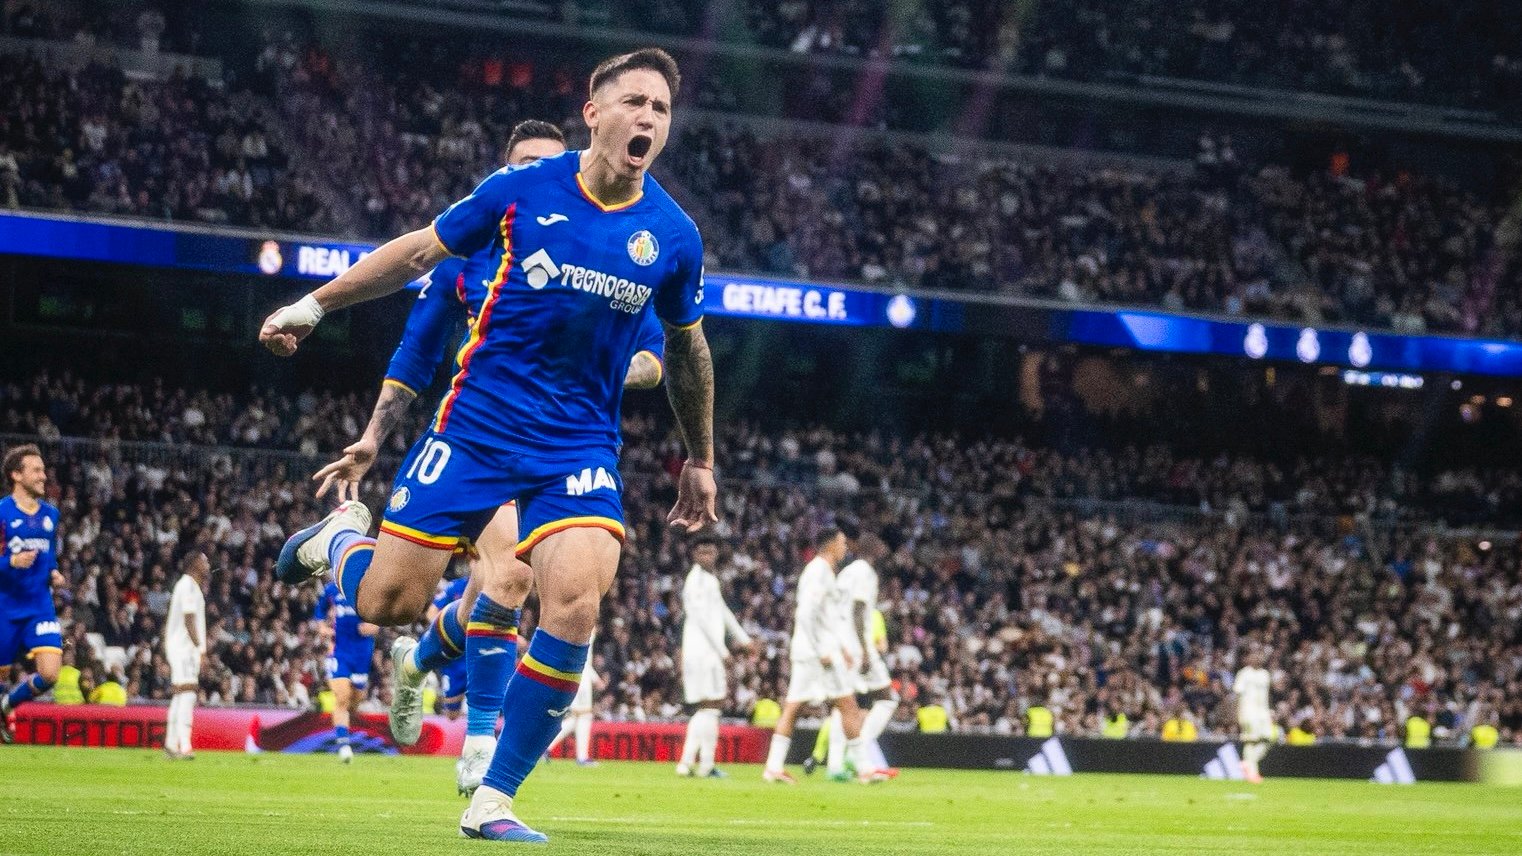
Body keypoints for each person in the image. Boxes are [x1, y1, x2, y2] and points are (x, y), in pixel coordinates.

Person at [261, 47, 715, 843]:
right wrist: (317, 303)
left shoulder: (672, 236)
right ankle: (340, 544)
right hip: (474, 431)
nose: (649, 119)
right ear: (594, 113)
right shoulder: (518, 193)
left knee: (576, 595)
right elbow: (415, 253)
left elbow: (685, 350)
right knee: (386, 604)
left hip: (575, 446)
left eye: (662, 109)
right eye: (635, 102)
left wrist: (702, 458)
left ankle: (493, 794)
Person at [309, 118, 666, 797]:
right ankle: (469, 727)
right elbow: (415, 356)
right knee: (473, 587)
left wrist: (613, 368)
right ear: (506, 176)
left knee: (497, 586)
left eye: (548, 162)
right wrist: (371, 438)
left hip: (562, 447)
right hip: (478, 437)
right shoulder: (466, 258)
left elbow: (656, 351)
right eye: (523, 163)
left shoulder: (603, 257)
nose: (537, 174)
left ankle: (440, 693)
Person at [763, 524, 885, 784]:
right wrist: (824, 651)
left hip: (815, 651)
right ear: (830, 544)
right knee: (847, 705)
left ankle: (773, 767)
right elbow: (807, 614)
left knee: (796, 707)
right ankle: (864, 768)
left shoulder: (823, 572)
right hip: (817, 654)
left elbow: (827, 619)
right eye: (841, 543)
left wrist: (842, 648)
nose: (844, 548)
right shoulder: (818, 572)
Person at [0, 444, 63, 744]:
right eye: (36, 470)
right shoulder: (2, 513)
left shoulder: (51, 515)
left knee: (50, 673)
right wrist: (10, 561)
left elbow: (48, 555)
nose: (43, 475)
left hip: (39, 605)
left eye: (43, 469)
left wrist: (54, 572)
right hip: (5, 606)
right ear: (16, 475)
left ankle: (7, 705)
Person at [675, 533, 751, 778]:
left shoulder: (710, 580)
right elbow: (700, 619)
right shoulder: (695, 581)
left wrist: (744, 640)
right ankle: (695, 763)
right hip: (702, 651)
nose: (707, 556)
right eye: (702, 552)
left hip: (708, 651)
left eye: (711, 551)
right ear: (694, 555)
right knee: (710, 704)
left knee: (712, 706)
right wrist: (723, 650)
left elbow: (723, 612)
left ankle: (698, 764)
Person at [314, 581, 379, 763]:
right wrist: (322, 628)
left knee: (356, 699)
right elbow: (319, 609)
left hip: (362, 654)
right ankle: (344, 745)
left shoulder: (369, 587)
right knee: (341, 697)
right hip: (339, 652)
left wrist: (375, 626)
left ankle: (344, 728)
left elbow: (382, 615)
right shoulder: (331, 589)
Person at [163, 550, 209, 759]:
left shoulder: (189, 585)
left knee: (181, 694)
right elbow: (190, 620)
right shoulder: (188, 586)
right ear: (194, 564)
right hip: (183, 647)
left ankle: (171, 744)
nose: (207, 564)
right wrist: (200, 649)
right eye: (204, 560)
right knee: (188, 693)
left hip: (181, 646)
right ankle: (184, 745)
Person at [544, 645, 601, 766]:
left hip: (577, 676)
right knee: (583, 716)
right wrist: (595, 678)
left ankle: (546, 747)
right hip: (581, 680)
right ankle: (582, 757)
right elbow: (583, 660)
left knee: (575, 720)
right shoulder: (584, 633)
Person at [1234, 648, 1273, 783]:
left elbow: (1267, 696)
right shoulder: (1244, 674)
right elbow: (1238, 695)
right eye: (1254, 655)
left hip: (1263, 712)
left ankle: (1247, 763)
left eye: (1260, 656)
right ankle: (1253, 773)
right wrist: (1238, 714)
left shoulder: (1265, 674)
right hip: (1248, 711)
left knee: (1269, 738)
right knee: (1251, 740)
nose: (1258, 658)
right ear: (1249, 658)